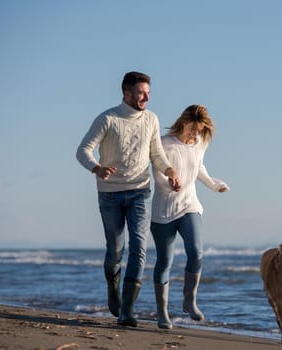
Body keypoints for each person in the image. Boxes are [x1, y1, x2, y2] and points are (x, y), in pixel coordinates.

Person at [76, 71, 181, 327]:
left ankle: (127, 311)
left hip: (140, 191)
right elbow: (83, 150)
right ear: (127, 93)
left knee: (139, 249)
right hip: (109, 193)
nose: (146, 97)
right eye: (141, 92)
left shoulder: (151, 119)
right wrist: (97, 168)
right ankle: (113, 288)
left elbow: (156, 153)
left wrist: (169, 171)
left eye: (148, 93)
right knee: (115, 250)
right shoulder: (108, 119)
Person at [150, 104, 229, 329]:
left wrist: (214, 185)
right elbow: (157, 172)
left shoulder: (201, 143)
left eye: (200, 130)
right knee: (165, 262)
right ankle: (162, 312)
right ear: (183, 123)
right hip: (163, 210)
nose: (195, 135)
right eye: (192, 129)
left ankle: (189, 300)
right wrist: (169, 184)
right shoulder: (164, 143)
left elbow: (199, 167)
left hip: (189, 205)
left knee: (196, 252)